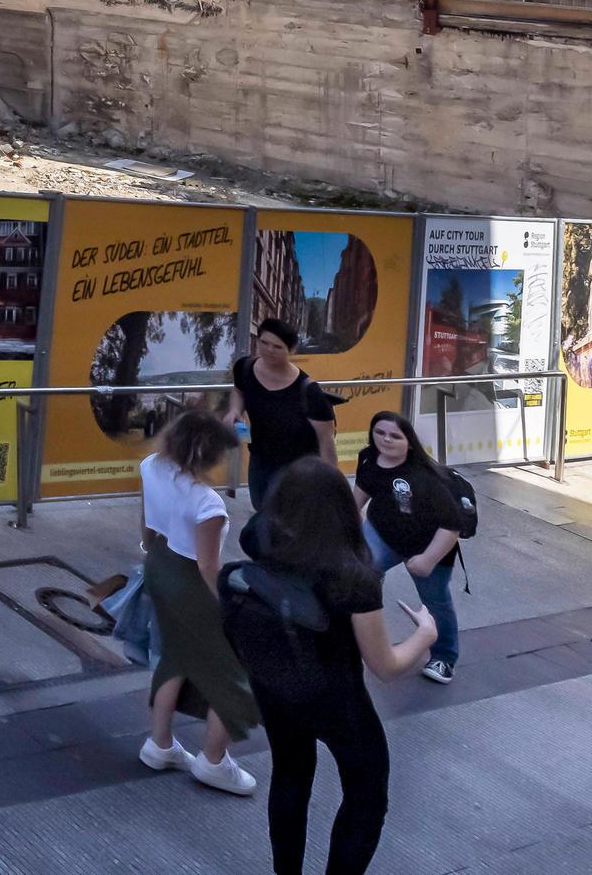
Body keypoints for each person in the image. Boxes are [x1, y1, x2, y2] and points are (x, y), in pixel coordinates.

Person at [234, 458, 439, 875]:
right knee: (367, 795)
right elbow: (385, 665)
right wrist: (425, 635)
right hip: (336, 698)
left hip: (275, 684)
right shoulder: (352, 575)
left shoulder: (260, 539)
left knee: (290, 775)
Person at [137, 407, 260, 796]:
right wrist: (224, 609)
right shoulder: (207, 503)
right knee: (230, 674)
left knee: (173, 657)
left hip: (159, 564)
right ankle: (213, 761)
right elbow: (208, 566)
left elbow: (147, 523)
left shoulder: (151, 466)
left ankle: (160, 744)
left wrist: (149, 551)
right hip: (191, 583)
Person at [353, 409, 464, 683]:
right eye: (380, 432)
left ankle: (444, 657)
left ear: (409, 442)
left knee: (435, 601)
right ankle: (363, 631)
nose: (385, 439)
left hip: (429, 545)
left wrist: (427, 559)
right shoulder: (368, 458)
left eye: (395, 436)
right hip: (383, 533)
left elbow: (452, 525)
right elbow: (358, 497)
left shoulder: (425, 477)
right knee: (360, 574)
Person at [228, 317, 338, 516]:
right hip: (261, 459)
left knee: (290, 518)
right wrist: (235, 410)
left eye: (277, 347)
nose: (269, 350)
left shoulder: (309, 392)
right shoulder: (244, 368)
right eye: (264, 343)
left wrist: (330, 486)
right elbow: (238, 391)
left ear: (291, 350)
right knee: (261, 509)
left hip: (299, 467)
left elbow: (326, 441)